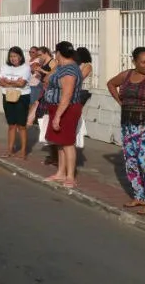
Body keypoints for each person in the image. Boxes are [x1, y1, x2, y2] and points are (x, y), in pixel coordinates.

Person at [107, 47, 145, 215]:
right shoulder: (126, 75)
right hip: (128, 126)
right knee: (131, 162)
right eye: (144, 62)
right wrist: (120, 101)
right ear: (134, 62)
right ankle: (139, 196)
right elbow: (111, 83)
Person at [43, 41, 83, 189]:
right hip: (56, 106)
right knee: (59, 142)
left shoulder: (70, 70)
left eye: (56, 53)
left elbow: (67, 94)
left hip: (67, 108)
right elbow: (47, 78)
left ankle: (70, 176)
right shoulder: (62, 67)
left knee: (67, 142)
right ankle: (60, 172)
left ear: (59, 52)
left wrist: (58, 115)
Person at [0, 46, 32, 159]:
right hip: (7, 97)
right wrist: (13, 82)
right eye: (11, 56)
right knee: (11, 125)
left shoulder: (26, 68)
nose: (13, 58)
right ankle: (10, 149)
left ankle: (23, 151)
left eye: (15, 56)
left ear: (20, 56)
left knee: (21, 125)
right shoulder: (4, 67)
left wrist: (7, 81)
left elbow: (22, 84)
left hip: (22, 97)